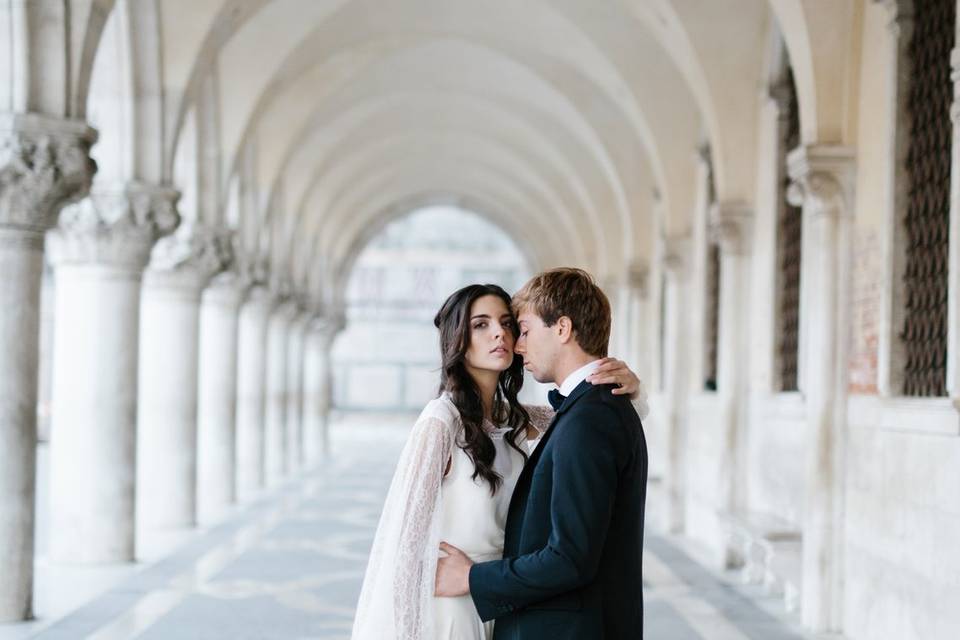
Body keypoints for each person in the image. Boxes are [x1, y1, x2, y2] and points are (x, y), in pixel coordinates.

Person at [351, 283, 646, 640]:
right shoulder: (440, 422)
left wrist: (628, 387)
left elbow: (588, 417)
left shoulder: (524, 422)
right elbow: (405, 551)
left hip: (507, 605)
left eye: (509, 324)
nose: (501, 334)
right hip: (455, 609)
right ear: (457, 339)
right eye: (481, 325)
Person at [435, 269, 648, 640]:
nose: (516, 344)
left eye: (525, 329)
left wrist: (471, 576)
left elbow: (570, 558)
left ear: (562, 329)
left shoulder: (590, 419)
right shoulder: (587, 411)